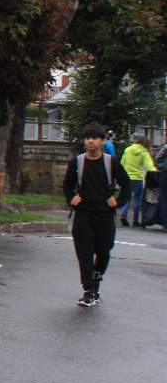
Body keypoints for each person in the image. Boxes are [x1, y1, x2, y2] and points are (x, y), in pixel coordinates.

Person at [63, 123, 131, 307]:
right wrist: (71, 198)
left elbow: (126, 185)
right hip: (83, 214)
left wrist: (118, 202)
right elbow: (67, 186)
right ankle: (88, 290)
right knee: (84, 253)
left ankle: (96, 283)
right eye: (87, 138)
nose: (90, 141)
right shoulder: (77, 162)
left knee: (103, 251)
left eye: (94, 138)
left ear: (102, 141)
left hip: (104, 215)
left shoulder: (111, 162)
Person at [118, 134, 156, 228]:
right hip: (137, 178)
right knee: (137, 199)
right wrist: (156, 172)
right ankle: (135, 221)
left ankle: (123, 215)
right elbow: (149, 166)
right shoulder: (144, 152)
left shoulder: (128, 150)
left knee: (127, 198)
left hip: (127, 177)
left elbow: (122, 163)